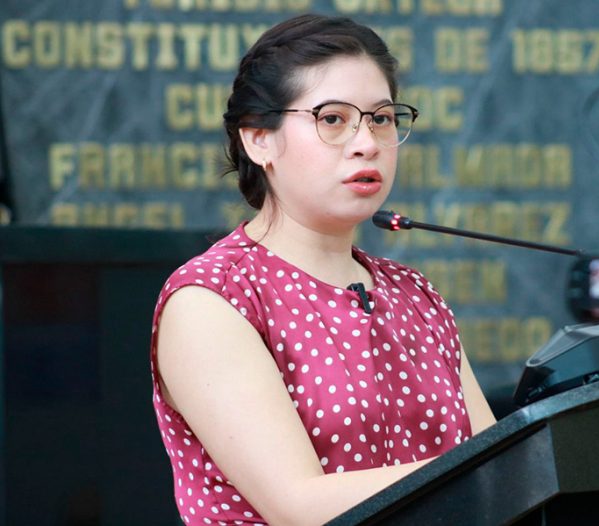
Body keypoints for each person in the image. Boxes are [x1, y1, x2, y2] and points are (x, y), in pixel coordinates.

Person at [151, 14, 496, 526]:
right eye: (333, 119)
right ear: (259, 140)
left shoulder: (414, 294)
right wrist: (495, 469)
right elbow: (301, 507)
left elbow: (500, 470)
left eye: (382, 118)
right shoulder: (212, 300)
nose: (367, 142)